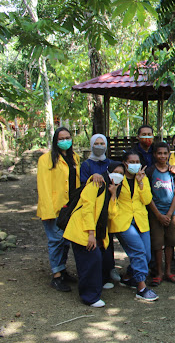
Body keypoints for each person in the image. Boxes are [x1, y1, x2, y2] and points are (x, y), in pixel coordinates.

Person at [63, 163, 121, 307]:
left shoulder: (111, 189)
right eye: (115, 171)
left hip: (97, 231)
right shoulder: (97, 183)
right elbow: (87, 209)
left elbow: (112, 215)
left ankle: (96, 286)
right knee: (90, 260)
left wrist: (113, 194)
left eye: (121, 173)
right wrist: (90, 233)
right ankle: (90, 297)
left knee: (98, 259)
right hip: (82, 229)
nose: (118, 175)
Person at [109, 151, 158, 301]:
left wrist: (141, 183)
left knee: (147, 255)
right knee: (138, 251)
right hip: (122, 220)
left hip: (140, 220)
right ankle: (141, 287)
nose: (135, 165)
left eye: (137, 162)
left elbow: (147, 200)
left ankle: (128, 276)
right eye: (131, 162)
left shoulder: (143, 178)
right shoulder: (118, 178)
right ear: (125, 163)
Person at [37, 127, 80, 292]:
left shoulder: (74, 157)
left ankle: (62, 270)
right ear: (55, 141)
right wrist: (48, 210)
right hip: (54, 207)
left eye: (67, 138)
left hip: (70, 206)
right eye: (61, 138)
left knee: (65, 241)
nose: (65, 141)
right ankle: (56, 276)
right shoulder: (45, 160)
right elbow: (43, 186)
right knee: (55, 241)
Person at [146, 142, 175, 286]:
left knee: (170, 243)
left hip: (171, 213)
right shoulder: (150, 171)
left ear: (169, 155)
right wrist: (159, 215)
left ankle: (168, 271)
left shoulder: (172, 172)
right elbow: (147, 195)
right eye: (159, 153)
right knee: (157, 244)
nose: (162, 156)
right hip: (156, 214)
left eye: (165, 153)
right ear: (154, 154)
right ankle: (159, 272)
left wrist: (169, 214)